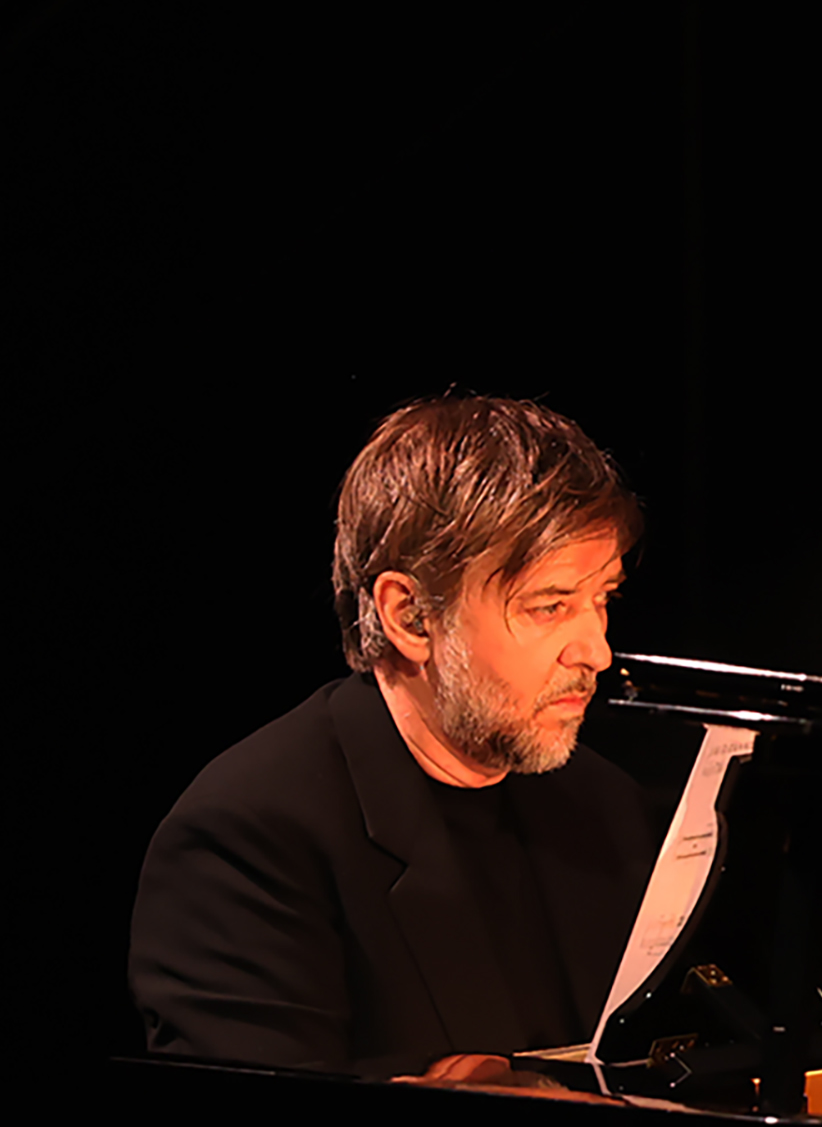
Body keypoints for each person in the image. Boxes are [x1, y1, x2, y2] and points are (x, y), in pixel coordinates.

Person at [130, 395, 654, 1069]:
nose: (597, 651)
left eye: (601, 599)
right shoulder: (249, 841)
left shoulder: (611, 810)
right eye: (549, 606)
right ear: (409, 617)